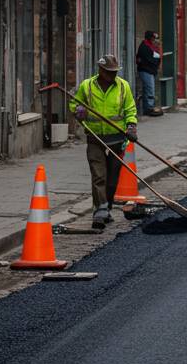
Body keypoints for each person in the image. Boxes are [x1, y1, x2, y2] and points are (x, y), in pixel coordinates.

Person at [68, 55, 138, 228]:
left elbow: (130, 108)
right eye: (109, 72)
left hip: (117, 138)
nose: (112, 75)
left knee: (112, 179)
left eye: (114, 72)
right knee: (99, 175)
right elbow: (73, 103)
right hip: (95, 138)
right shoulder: (87, 86)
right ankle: (100, 210)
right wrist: (79, 110)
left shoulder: (123, 86)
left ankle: (107, 206)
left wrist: (131, 126)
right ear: (100, 70)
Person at [135, 31, 163, 117]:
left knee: (148, 89)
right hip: (146, 71)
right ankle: (149, 108)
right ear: (149, 38)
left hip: (149, 70)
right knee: (150, 89)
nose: (154, 39)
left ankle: (147, 107)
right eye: (153, 38)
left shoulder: (150, 46)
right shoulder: (145, 47)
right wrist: (156, 61)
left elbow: (156, 57)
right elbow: (150, 59)